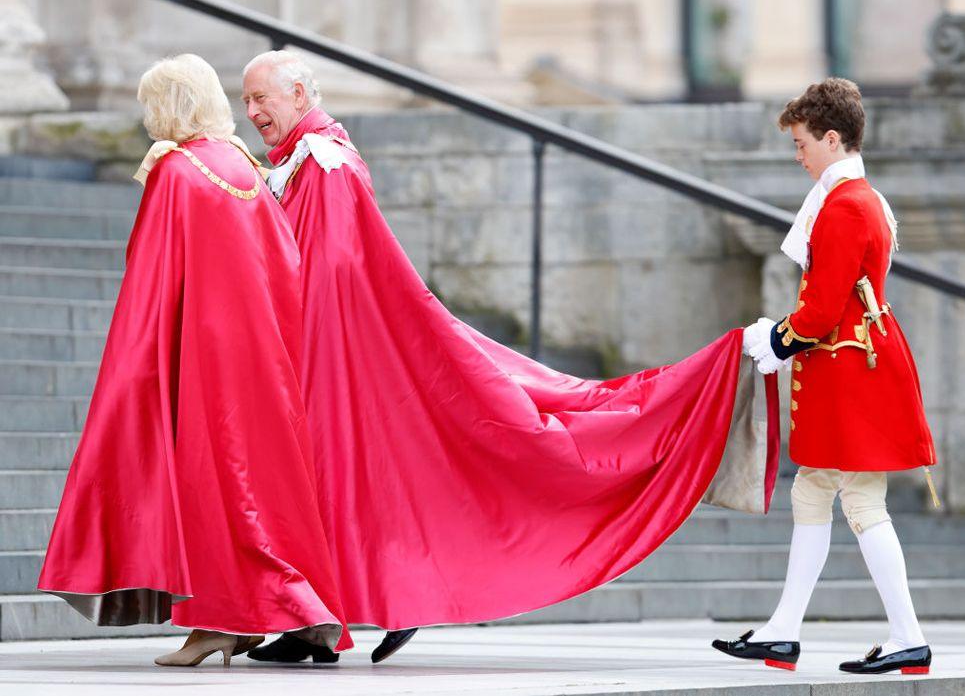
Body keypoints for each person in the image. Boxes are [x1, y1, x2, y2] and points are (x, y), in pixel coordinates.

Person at [241, 51, 780, 666]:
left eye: (263, 98)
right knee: (353, 482)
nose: (253, 111)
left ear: (302, 96)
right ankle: (322, 620)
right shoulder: (306, 161)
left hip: (339, 353)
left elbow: (329, 269)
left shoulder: (324, 163)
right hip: (342, 349)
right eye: (248, 100)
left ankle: (361, 609)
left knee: (392, 472)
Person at [37, 54, 351, 667]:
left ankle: (219, 621)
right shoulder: (243, 165)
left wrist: (136, 367)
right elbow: (284, 267)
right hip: (260, 361)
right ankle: (305, 612)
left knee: (209, 488)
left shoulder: (179, 171)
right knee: (260, 487)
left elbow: (150, 278)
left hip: (197, 360)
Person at [713, 78, 935, 675]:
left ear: (831, 138)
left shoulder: (845, 206)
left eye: (802, 142)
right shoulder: (858, 199)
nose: (798, 154)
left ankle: (908, 636)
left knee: (861, 500)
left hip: (850, 370)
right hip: (850, 365)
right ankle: (784, 630)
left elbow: (823, 309)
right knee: (813, 490)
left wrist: (777, 340)